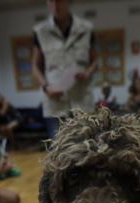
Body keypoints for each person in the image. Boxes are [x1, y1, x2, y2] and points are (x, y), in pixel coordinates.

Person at [32, 0, 98, 139]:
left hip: (82, 101)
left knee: (86, 147)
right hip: (55, 103)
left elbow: (95, 61)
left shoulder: (86, 28)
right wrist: (45, 87)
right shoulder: (40, 31)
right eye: (51, 1)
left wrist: (88, 73)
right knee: (59, 150)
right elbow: (36, 66)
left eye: (60, 1)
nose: (55, 5)